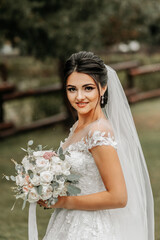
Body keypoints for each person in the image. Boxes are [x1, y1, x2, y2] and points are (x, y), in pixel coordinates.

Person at [38, 51, 154, 240]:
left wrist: (63, 201)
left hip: (90, 228)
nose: (79, 97)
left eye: (88, 88)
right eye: (72, 89)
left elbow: (118, 197)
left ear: (103, 88)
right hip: (68, 221)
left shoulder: (99, 131)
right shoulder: (79, 126)